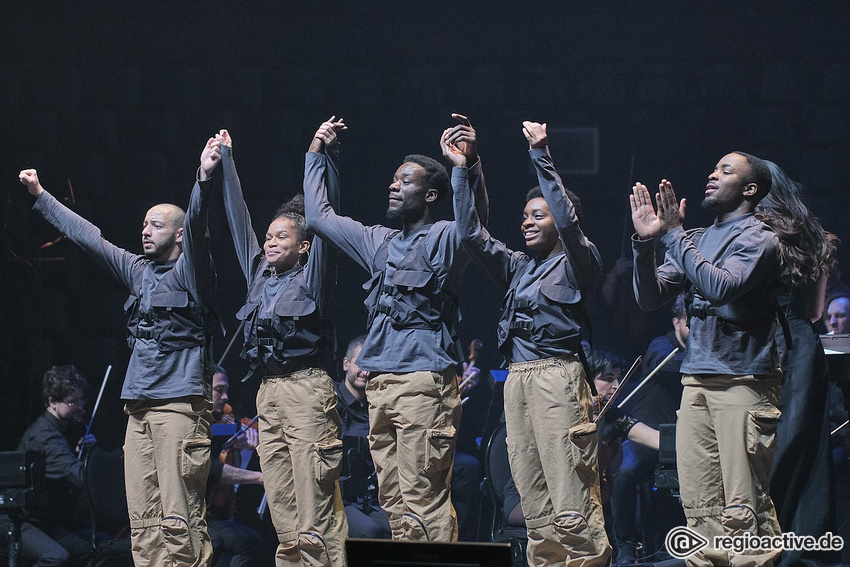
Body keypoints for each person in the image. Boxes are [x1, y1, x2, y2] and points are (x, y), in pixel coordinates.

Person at [20, 138, 220, 567]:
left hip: (178, 405)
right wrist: (42, 196)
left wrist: (203, 179)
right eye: (144, 224)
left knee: (178, 518)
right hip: (139, 408)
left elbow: (200, 224)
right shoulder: (137, 271)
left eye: (157, 225)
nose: (145, 231)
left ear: (179, 234)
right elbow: (88, 237)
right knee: (144, 523)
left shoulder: (193, 272)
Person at [303, 114, 488, 542]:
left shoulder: (445, 236)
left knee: (423, 497)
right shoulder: (378, 242)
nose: (393, 186)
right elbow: (318, 215)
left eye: (404, 182)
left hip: (425, 379)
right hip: (381, 385)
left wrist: (468, 166)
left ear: (430, 193)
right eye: (393, 179)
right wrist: (316, 150)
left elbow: (474, 223)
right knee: (395, 501)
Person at [455, 121, 607, 566]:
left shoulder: (581, 261)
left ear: (559, 223)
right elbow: (469, 235)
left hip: (557, 378)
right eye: (524, 216)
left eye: (538, 215)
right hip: (517, 383)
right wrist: (466, 170)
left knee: (570, 494)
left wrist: (541, 154)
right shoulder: (519, 266)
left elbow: (568, 220)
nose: (527, 221)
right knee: (534, 496)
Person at [630, 152, 783, 566]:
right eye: (713, 168)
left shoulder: (760, 237)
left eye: (725, 171)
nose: (712, 174)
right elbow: (649, 298)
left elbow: (720, 287)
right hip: (696, 379)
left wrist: (674, 234)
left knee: (742, 507)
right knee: (700, 505)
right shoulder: (694, 238)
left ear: (750, 190)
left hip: (742, 381)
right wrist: (646, 244)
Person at [215, 127, 347, 566]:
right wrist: (227, 161)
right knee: (282, 502)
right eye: (269, 236)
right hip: (267, 395)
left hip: (307, 390)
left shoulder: (313, 276)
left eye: (282, 237)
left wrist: (322, 157)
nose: (270, 241)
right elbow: (238, 218)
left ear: (304, 247)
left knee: (315, 499)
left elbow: (325, 213)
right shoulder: (258, 273)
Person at [756, 161, 838, 567]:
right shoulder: (816, 238)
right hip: (803, 345)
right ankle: (803, 549)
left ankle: (758, 543)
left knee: (765, 448)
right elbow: (816, 310)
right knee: (805, 449)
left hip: (761, 342)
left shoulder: (750, 232)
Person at [612, 294, 688, 565]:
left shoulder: (699, 351)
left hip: (673, 440)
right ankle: (626, 546)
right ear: (677, 322)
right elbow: (663, 364)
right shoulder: (662, 345)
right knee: (626, 473)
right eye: (690, 323)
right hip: (643, 433)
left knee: (675, 484)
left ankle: (672, 542)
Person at [13, 365, 95, 567]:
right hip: (20, 521)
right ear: (52, 402)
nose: (79, 406)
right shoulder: (45, 436)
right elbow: (79, 475)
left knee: (88, 551)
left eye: (81, 400)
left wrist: (85, 453)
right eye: (72, 402)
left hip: (44, 521)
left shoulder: (60, 430)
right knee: (55, 557)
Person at [206, 366, 266, 567]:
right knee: (252, 542)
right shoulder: (195, 427)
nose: (225, 397)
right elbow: (212, 469)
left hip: (222, 513)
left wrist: (254, 447)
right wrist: (258, 477)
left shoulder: (229, 424)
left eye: (226, 391)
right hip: (200, 517)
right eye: (219, 390)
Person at [335, 335, 391, 540]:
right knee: (370, 533)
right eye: (361, 363)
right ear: (346, 363)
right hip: (341, 500)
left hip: (372, 498)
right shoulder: (332, 400)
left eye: (371, 364)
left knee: (403, 531)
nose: (365, 372)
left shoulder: (378, 404)